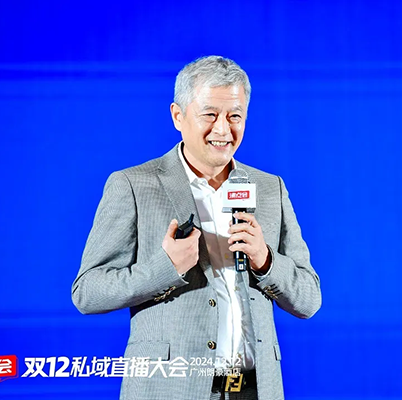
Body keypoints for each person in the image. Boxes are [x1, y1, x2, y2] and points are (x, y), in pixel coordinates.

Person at [72, 55, 321, 400]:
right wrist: (165, 268)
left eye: (235, 116)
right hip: (169, 388)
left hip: (253, 389)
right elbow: (87, 292)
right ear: (178, 116)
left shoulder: (269, 188)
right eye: (210, 114)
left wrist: (265, 260)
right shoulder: (133, 185)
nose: (223, 130)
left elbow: (309, 299)